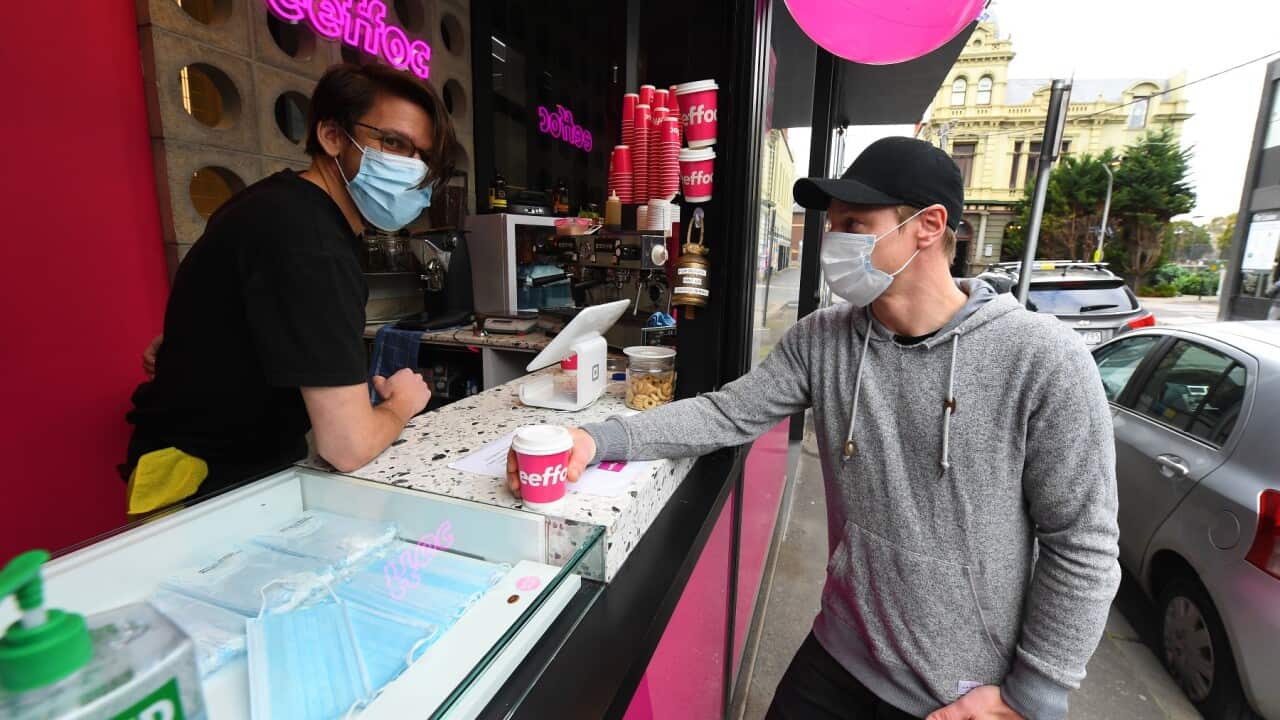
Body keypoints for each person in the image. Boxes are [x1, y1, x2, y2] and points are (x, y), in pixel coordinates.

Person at [507, 137, 1120, 720]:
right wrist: (599, 439)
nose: (833, 241)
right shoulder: (822, 340)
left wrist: (1032, 695)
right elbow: (726, 411)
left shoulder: (1043, 359)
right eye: (833, 224)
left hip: (960, 692)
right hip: (840, 652)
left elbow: (1082, 542)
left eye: (855, 223)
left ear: (929, 227)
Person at [124, 63, 455, 513]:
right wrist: (401, 405)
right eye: (393, 142)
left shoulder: (277, 205)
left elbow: (223, 317)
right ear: (333, 136)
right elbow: (349, 446)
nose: (411, 168)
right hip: (202, 483)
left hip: (211, 463)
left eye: (423, 157)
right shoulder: (312, 244)